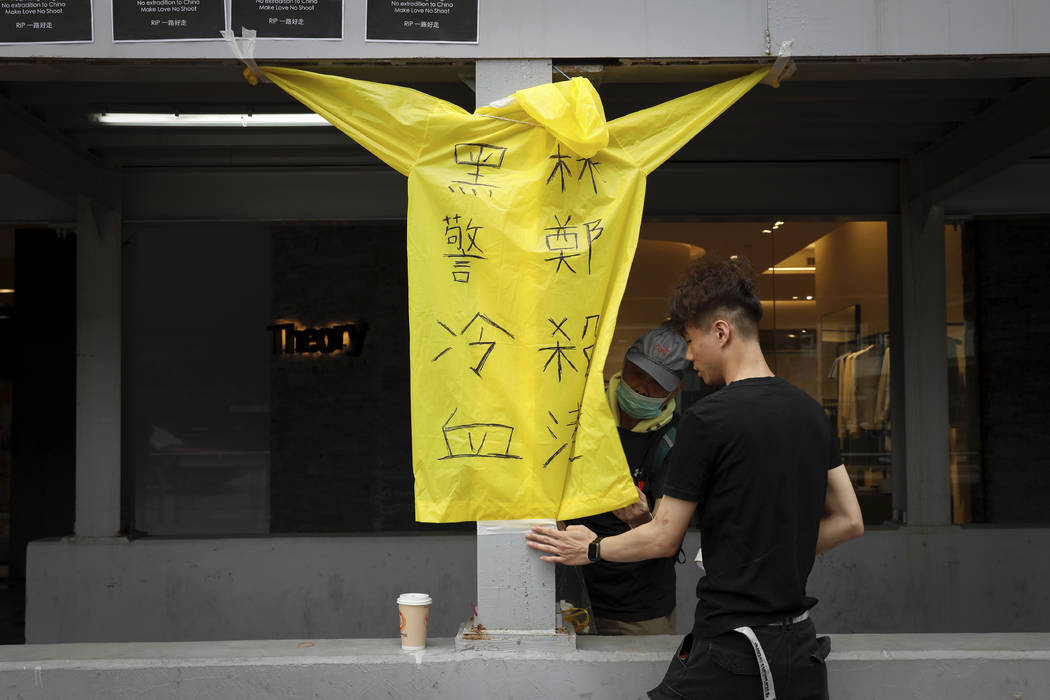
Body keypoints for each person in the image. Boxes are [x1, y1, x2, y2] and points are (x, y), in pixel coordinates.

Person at [527, 255, 864, 700]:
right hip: (798, 646)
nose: (688, 355)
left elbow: (664, 537)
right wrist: (769, 553)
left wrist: (589, 548)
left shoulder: (707, 420)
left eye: (690, 339)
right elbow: (849, 520)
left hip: (733, 649)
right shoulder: (810, 412)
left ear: (721, 332)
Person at [568, 327, 691, 636]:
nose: (642, 389)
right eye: (637, 375)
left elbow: (665, 538)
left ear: (675, 391)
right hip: (571, 593)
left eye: (656, 384)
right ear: (623, 365)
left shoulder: (676, 442)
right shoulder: (584, 414)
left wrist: (642, 519)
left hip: (637, 607)